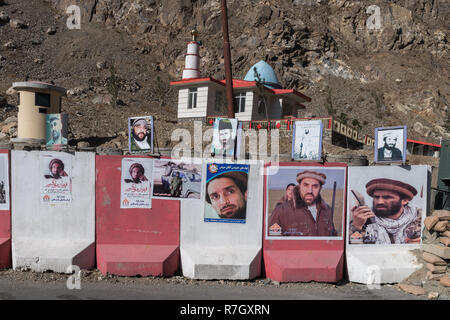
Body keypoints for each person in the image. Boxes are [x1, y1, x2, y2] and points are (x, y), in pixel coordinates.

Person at [350, 178, 421, 244]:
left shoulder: (419, 218)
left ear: (404, 201)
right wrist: (356, 227)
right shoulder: (363, 219)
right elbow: (354, 246)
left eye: (387, 197)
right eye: (376, 197)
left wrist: (423, 242)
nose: (379, 202)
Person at [268, 170, 337, 237]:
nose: (310, 191)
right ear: (299, 186)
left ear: (320, 188)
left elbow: (333, 237)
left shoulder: (326, 210)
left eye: (315, 186)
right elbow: (272, 240)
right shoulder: (281, 210)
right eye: (305, 185)